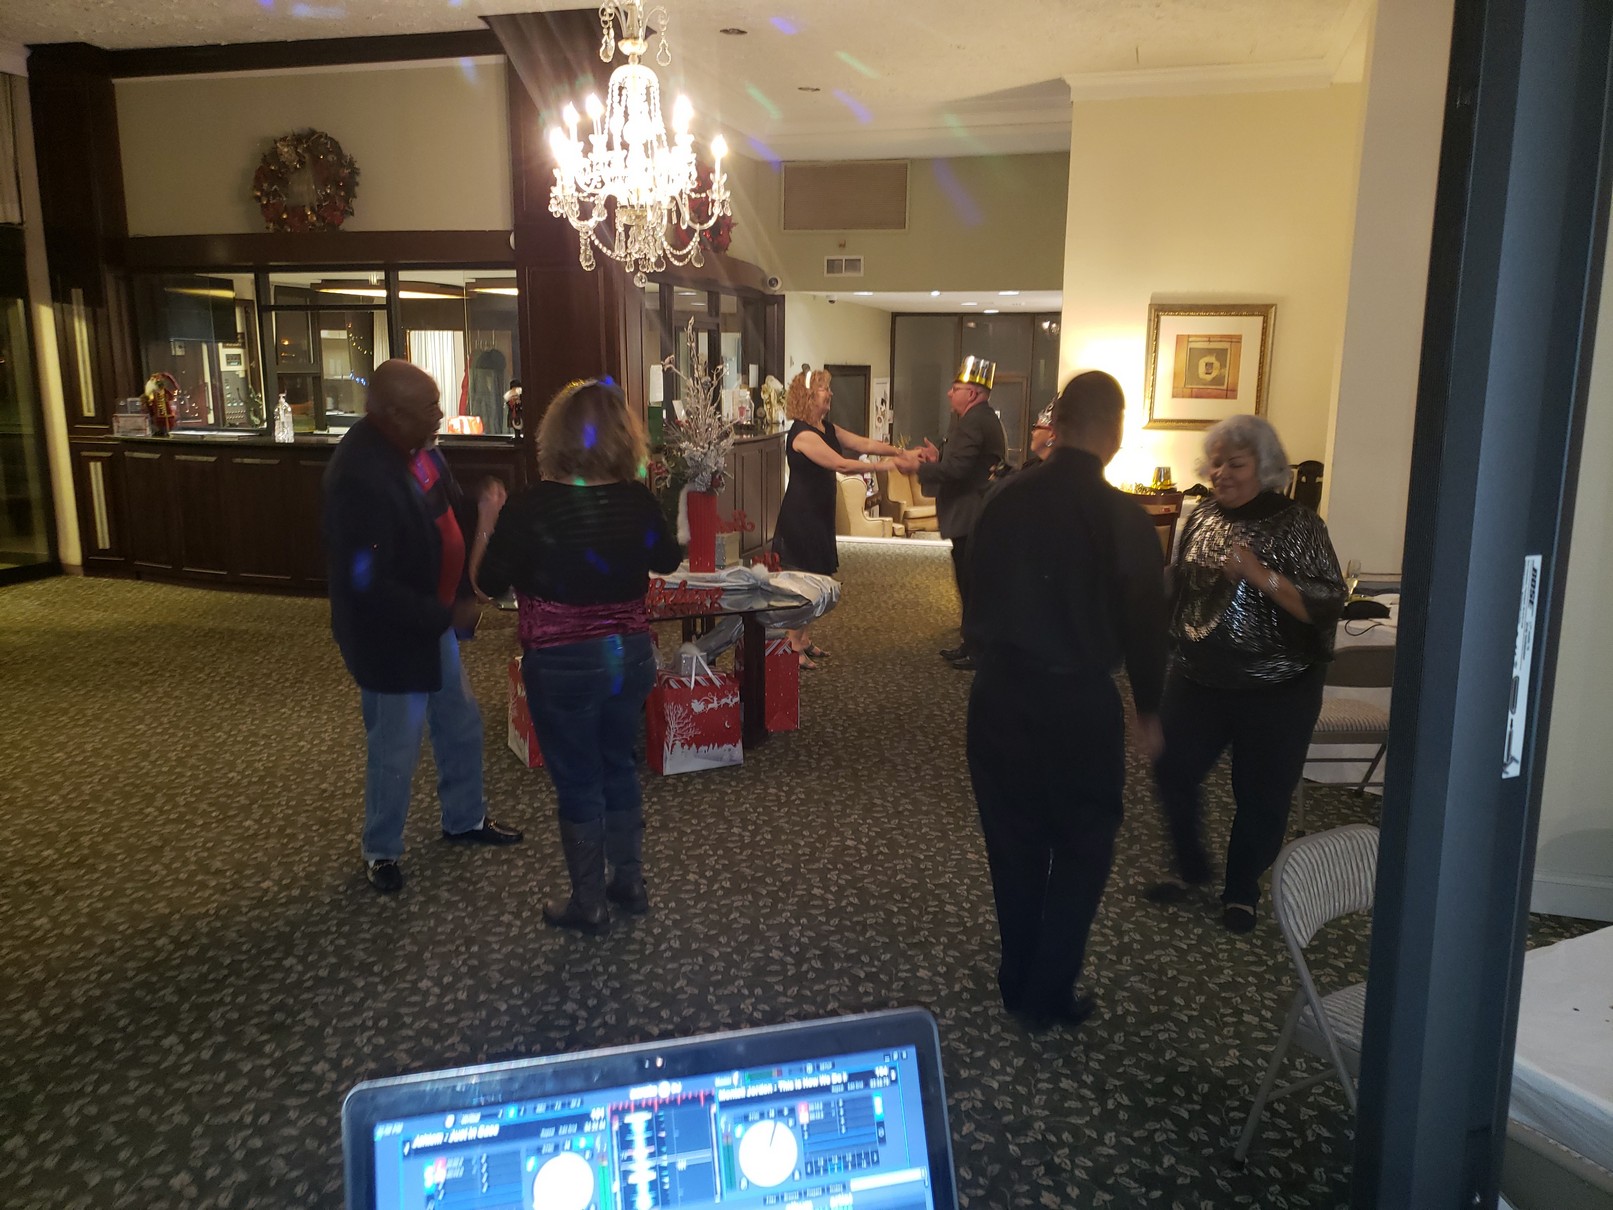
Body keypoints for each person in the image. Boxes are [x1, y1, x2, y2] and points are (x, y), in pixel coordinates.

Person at [964, 370, 1166, 1028]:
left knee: (1012, 842)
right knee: (1084, 843)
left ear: (1057, 424)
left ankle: (1017, 975)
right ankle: (1049, 986)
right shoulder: (1125, 519)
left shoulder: (1003, 497)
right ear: (1114, 430)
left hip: (998, 693)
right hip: (1079, 701)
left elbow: (972, 589)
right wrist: (1149, 709)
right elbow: (1146, 625)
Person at [474, 379, 683, 936]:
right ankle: (629, 882)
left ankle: (589, 903)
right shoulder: (636, 499)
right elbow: (668, 559)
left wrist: (489, 520)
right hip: (629, 657)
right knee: (618, 764)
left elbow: (486, 586)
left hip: (561, 662)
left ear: (557, 433)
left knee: (578, 779)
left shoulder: (530, 506)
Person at [324, 359, 524, 894]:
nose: (440, 414)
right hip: (390, 637)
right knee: (396, 746)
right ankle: (381, 850)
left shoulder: (421, 449)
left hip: (430, 621)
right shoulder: (360, 477)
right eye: (428, 407)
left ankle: (464, 818)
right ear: (392, 413)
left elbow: (447, 510)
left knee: (460, 722)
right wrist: (446, 615)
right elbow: (368, 585)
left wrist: (480, 506)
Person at [1146, 414, 1346, 933]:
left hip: (1278, 686)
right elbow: (1184, 587)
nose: (1222, 473)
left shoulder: (1298, 524)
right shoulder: (1202, 516)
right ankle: (1190, 866)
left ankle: (1241, 890)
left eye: (1235, 464)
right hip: (1199, 676)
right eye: (1216, 464)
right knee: (1172, 769)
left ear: (1265, 467)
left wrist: (1261, 576)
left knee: (1261, 796)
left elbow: (1325, 603)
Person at [770, 366, 921, 668]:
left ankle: (803, 639)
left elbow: (863, 444)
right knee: (804, 582)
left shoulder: (827, 428)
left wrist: (899, 453)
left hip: (820, 513)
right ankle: (791, 644)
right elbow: (842, 464)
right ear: (808, 396)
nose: (831, 393)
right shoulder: (802, 434)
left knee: (818, 576)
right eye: (824, 389)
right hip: (801, 516)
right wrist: (885, 467)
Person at [918, 356, 1007, 671]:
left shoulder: (974, 421)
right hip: (975, 514)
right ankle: (971, 643)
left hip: (973, 515)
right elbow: (963, 463)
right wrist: (938, 457)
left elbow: (958, 470)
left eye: (955, 388)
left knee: (973, 585)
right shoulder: (978, 419)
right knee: (969, 582)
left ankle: (977, 649)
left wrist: (920, 467)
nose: (949, 393)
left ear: (972, 393)